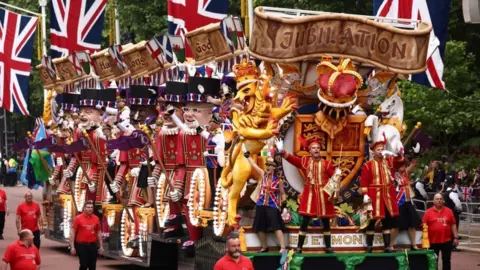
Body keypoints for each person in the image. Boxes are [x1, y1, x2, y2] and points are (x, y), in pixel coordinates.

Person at [275, 137, 342, 254]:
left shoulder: (327, 164)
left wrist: (338, 174)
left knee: (326, 221)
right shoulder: (305, 161)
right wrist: (282, 151)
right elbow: (292, 159)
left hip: (323, 195)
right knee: (305, 221)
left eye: (318, 148)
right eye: (313, 148)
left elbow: (334, 179)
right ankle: (299, 247)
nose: (316, 150)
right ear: (310, 151)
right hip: (310, 193)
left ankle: (328, 247)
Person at [359, 135, 403, 253]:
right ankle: (369, 246)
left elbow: (400, 162)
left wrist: (395, 155)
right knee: (372, 221)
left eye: (382, 149)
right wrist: (365, 195)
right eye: (378, 149)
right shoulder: (368, 165)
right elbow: (364, 182)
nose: (380, 151)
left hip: (387, 195)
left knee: (387, 221)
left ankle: (387, 246)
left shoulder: (389, 161)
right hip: (374, 195)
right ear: (373, 152)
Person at [244, 145, 286, 254]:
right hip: (261, 204)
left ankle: (283, 247)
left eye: (270, 165)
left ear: (274, 168)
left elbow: (282, 193)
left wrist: (284, 205)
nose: (267, 167)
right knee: (260, 227)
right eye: (267, 165)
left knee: (276, 226)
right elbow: (254, 165)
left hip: (272, 206)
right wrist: (248, 156)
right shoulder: (263, 175)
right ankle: (264, 246)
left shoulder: (278, 181)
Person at [391, 158, 422, 250]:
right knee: (396, 225)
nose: (404, 167)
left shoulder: (405, 174)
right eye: (402, 165)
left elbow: (411, 167)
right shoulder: (393, 175)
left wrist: (415, 158)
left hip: (407, 201)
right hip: (398, 202)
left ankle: (414, 244)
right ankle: (390, 245)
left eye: (404, 165)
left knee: (412, 224)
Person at [422, 193, 458, 270]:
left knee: (446, 261)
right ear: (433, 201)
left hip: (447, 241)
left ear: (443, 201)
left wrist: (455, 237)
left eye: (441, 199)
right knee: (433, 261)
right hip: (432, 241)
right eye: (437, 199)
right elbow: (423, 226)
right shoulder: (428, 212)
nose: (439, 200)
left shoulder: (449, 211)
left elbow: (453, 224)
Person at [70, 200, 104, 270]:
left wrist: (101, 246)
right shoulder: (78, 218)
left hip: (93, 245)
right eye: (88, 207)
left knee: (92, 266)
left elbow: (98, 232)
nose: (90, 209)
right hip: (81, 245)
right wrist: (72, 246)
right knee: (83, 265)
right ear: (84, 208)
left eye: (91, 207)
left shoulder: (96, 218)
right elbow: (73, 232)